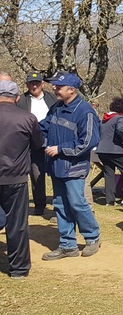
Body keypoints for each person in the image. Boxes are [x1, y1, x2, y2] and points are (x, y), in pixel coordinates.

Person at [39, 71, 102, 260]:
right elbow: (44, 127)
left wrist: (60, 149)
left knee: (77, 203)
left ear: (72, 90)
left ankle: (92, 237)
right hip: (56, 166)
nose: (54, 89)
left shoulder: (86, 112)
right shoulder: (56, 107)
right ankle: (68, 245)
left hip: (74, 167)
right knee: (60, 204)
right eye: (55, 86)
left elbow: (88, 141)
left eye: (59, 87)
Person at [0, 79, 44, 278]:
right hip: (15, 176)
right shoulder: (27, 118)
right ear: (17, 98)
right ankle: (18, 268)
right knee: (17, 223)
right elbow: (37, 144)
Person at [16, 71, 56, 216]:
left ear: (42, 84)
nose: (34, 86)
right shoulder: (21, 100)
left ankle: (58, 204)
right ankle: (39, 205)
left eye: (37, 83)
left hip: (51, 141)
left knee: (56, 173)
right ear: (27, 84)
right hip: (32, 143)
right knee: (36, 174)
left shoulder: (53, 99)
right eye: (31, 83)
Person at [96, 97, 123, 206]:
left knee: (109, 174)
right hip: (116, 151)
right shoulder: (119, 118)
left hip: (102, 150)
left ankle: (110, 200)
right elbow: (120, 130)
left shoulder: (104, 119)